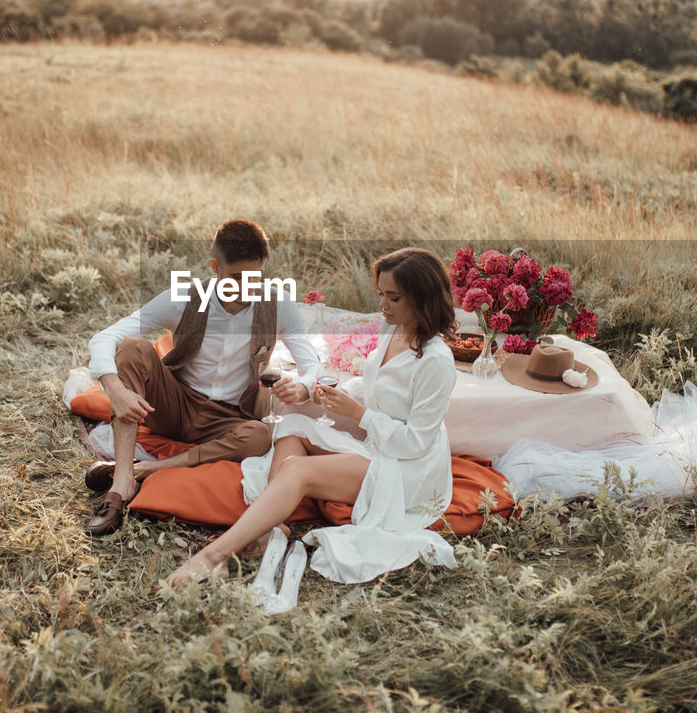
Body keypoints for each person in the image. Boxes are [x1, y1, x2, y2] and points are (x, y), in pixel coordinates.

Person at [165, 246, 459, 585]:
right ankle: (268, 525)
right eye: (381, 294)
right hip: (382, 444)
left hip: (407, 470)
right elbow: (379, 385)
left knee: (296, 470)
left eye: (393, 298)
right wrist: (340, 395)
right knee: (291, 425)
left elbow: (417, 443)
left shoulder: (436, 361)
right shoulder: (393, 328)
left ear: (422, 299)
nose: (382, 306)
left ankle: (214, 555)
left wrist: (359, 414)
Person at [84, 219, 323, 537]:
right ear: (215, 266)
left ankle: (144, 470)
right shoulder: (182, 298)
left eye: (256, 277)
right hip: (174, 406)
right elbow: (106, 337)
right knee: (132, 348)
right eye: (238, 277)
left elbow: (313, 365)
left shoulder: (278, 306)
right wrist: (114, 389)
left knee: (260, 437)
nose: (248, 287)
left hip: (230, 419)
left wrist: (303, 386)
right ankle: (120, 483)